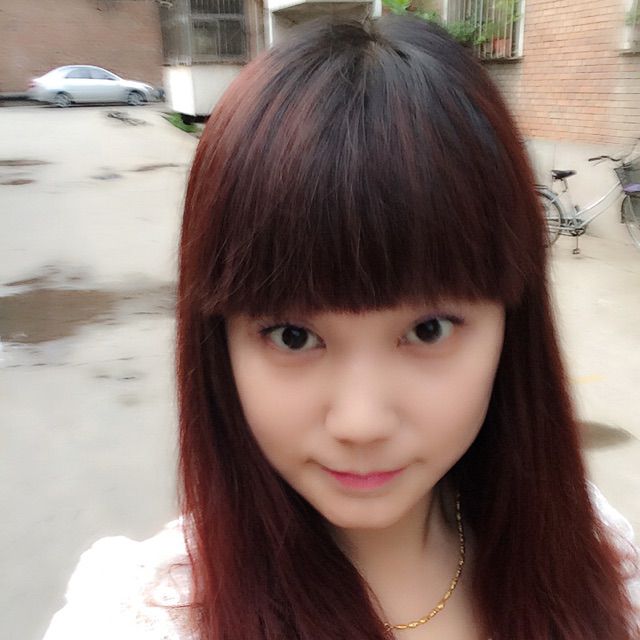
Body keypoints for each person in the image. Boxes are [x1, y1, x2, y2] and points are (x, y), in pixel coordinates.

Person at [44, 15, 639, 640]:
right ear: (220, 343)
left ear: (510, 329)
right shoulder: (139, 618)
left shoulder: (593, 556)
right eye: (293, 337)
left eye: (429, 330)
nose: (361, 423)